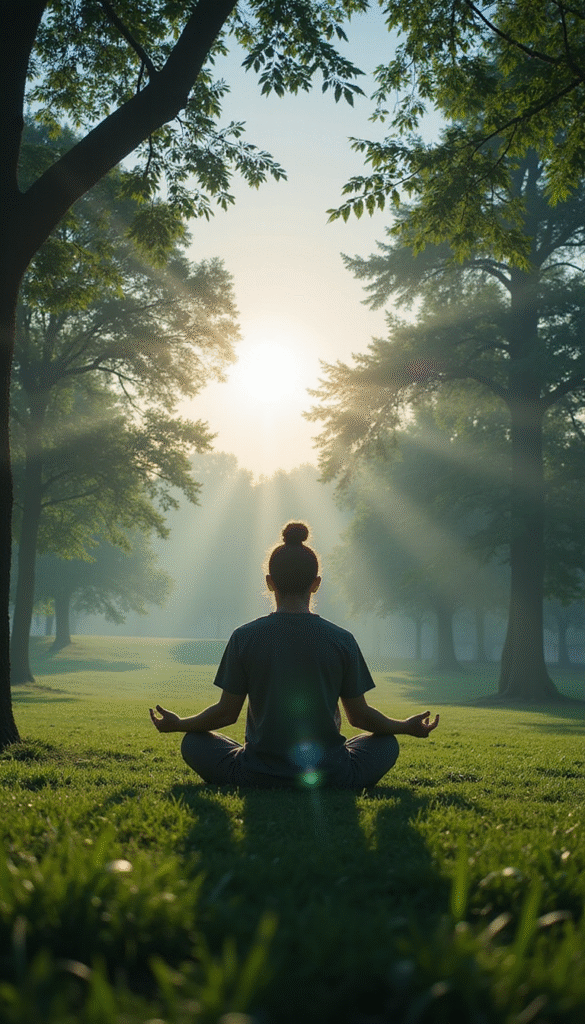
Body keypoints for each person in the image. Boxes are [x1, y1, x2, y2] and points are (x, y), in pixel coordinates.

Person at [150, 521, 439, 789]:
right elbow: (360, 717)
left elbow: (226, 713)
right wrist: (404, 727)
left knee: (194, 742)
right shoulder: (342, 640)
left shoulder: (245, 637)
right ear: (316, 583)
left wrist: (179, 725)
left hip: (256, 773)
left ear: (269, 581)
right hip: (332, 773)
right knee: (386, 744)